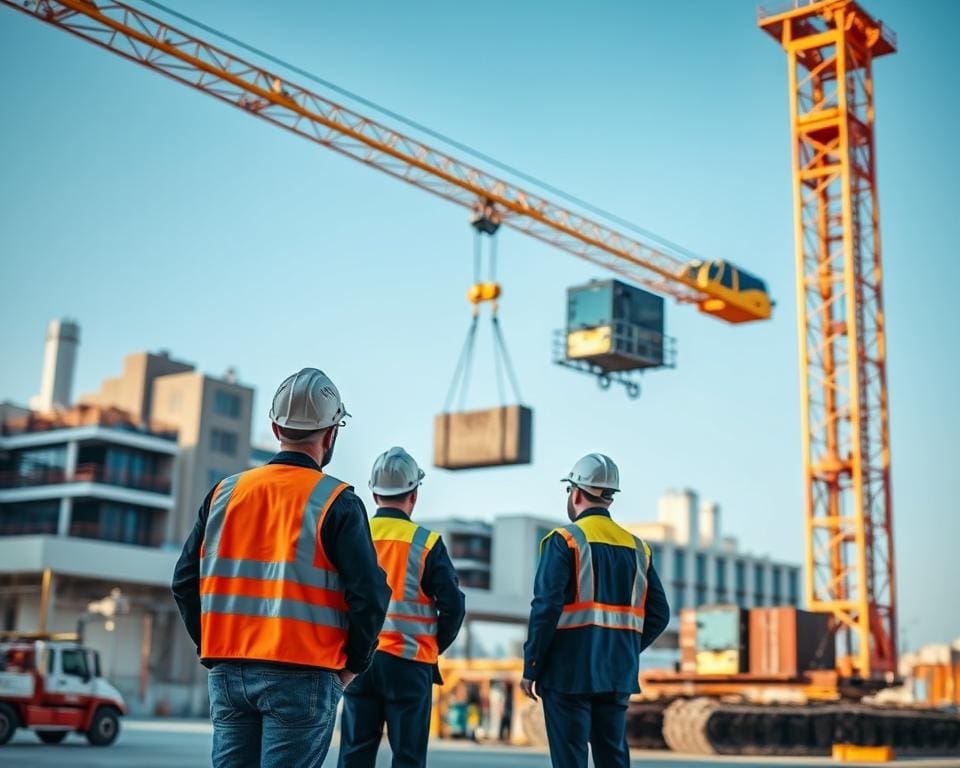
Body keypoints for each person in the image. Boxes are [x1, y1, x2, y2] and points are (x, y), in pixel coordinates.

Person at [171, 367, 390, 768]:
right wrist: (352, 666)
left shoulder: (224, 494)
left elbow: (185, 581)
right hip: (304, 675)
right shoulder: (337, 502)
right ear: (331, 434)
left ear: (276, 428)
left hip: (229, 671)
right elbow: (370, 595)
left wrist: (213, 649)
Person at [521, 453, 670, 768]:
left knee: (570, 761)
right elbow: (659, 614)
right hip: (616, 673)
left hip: (567, 673)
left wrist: (532, 667)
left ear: (575, 493)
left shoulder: (565, 541)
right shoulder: (638, 548)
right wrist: (624, 647)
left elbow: (545, 609)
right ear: (609, 498)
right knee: (613, 759)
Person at [338, 447, 465, 768]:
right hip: (410, 665)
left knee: (354, 755)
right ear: (414, 494)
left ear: (374, 492)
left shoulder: (356, 534)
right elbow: (453, 607)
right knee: (408, 758)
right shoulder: (427, 543)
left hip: (358, 663)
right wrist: (433, 645)